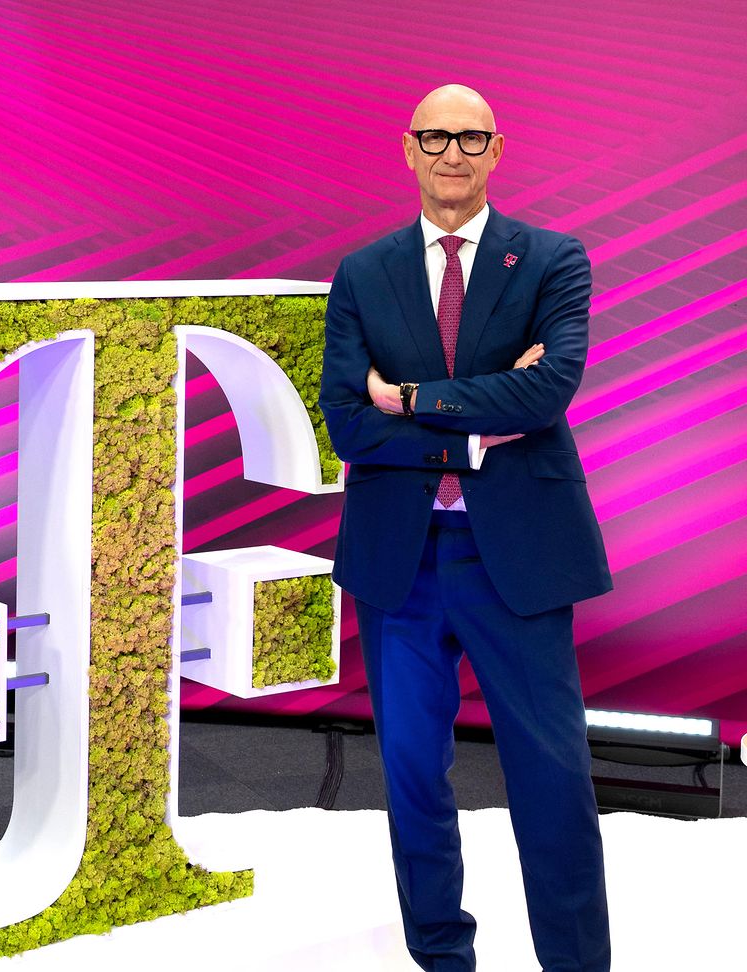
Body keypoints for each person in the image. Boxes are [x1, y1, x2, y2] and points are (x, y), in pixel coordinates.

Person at [318, 84, 612, 971]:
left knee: (552, 777)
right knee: (413, 773)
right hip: (399, 561)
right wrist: (477, 433)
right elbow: (348, 423)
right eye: (436, 137)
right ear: (408, 148)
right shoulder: (363, 273)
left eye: (471, 138)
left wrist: (409, 398)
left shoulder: (553, 260)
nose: (453, 152)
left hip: (517, 557)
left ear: (497, 150)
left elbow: (547, 391)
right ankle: (442, 955)